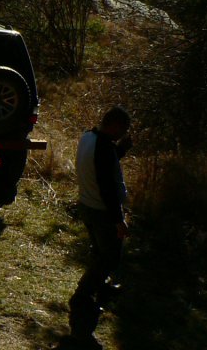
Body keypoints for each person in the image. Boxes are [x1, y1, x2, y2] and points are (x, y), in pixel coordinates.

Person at [68, 106, 132, 349]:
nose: (123, 133)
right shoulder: (104, 148)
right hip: (101, 211)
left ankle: (100, 287)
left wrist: (121, 150)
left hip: (86, 204)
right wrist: (119, 220)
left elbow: (102, 163)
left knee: (99, 251)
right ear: (114, 125)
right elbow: (107, 186)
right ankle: (82, 294)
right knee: (110, 257)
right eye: (123, 129)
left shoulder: (89, 137)